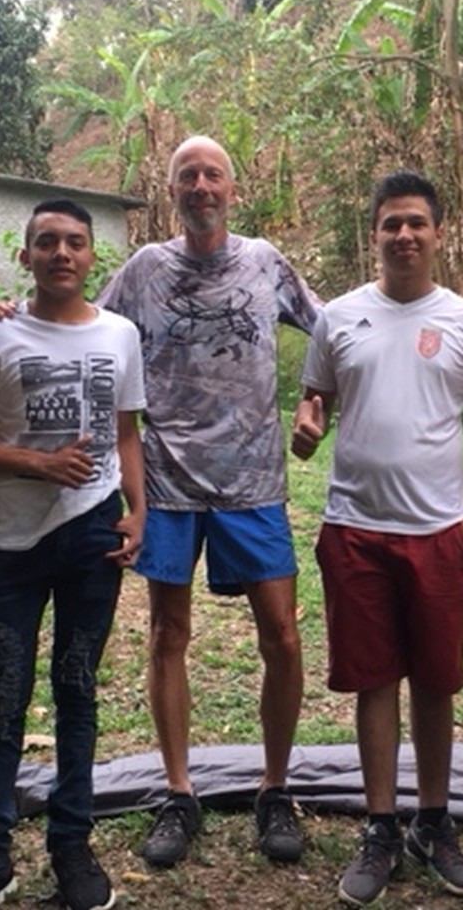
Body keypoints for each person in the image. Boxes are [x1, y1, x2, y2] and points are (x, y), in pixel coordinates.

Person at [98, 135, 322, 867]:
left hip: (252, 481)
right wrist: (13, 318)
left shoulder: (265, 262)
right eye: (187, 175)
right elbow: (87, 332)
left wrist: (315, 398)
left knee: (281, 634)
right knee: (168, 633)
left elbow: (331, 331)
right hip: (165, 482)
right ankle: (178, 792)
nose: (201, 186)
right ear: (172, 192)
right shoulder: (144, 269)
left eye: (213, 174)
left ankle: (275, 787)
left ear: (232, 189)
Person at [291, 170, 463, 907]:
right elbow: (316, 403)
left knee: (436, 682)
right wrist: (308, 427)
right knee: (374, 679)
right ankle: (381, 826)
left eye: (417, 222)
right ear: (375, 233)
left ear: (438, 232)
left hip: (439, 531)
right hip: (355, 528)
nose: (405, 235)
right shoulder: (339, 317)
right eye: (392, 224)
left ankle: (434, 821)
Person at [0, 199, 146, 910]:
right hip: (10, 540)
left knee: (77, 688)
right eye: (47, 242)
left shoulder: (120, 334)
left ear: (93, 256)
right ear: (24, 256)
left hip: (93, 533)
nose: (62, 253)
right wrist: (36, 463)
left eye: (76, 242)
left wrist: (139, 511)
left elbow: (127, 433)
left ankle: (72, 845)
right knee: (5, 695)